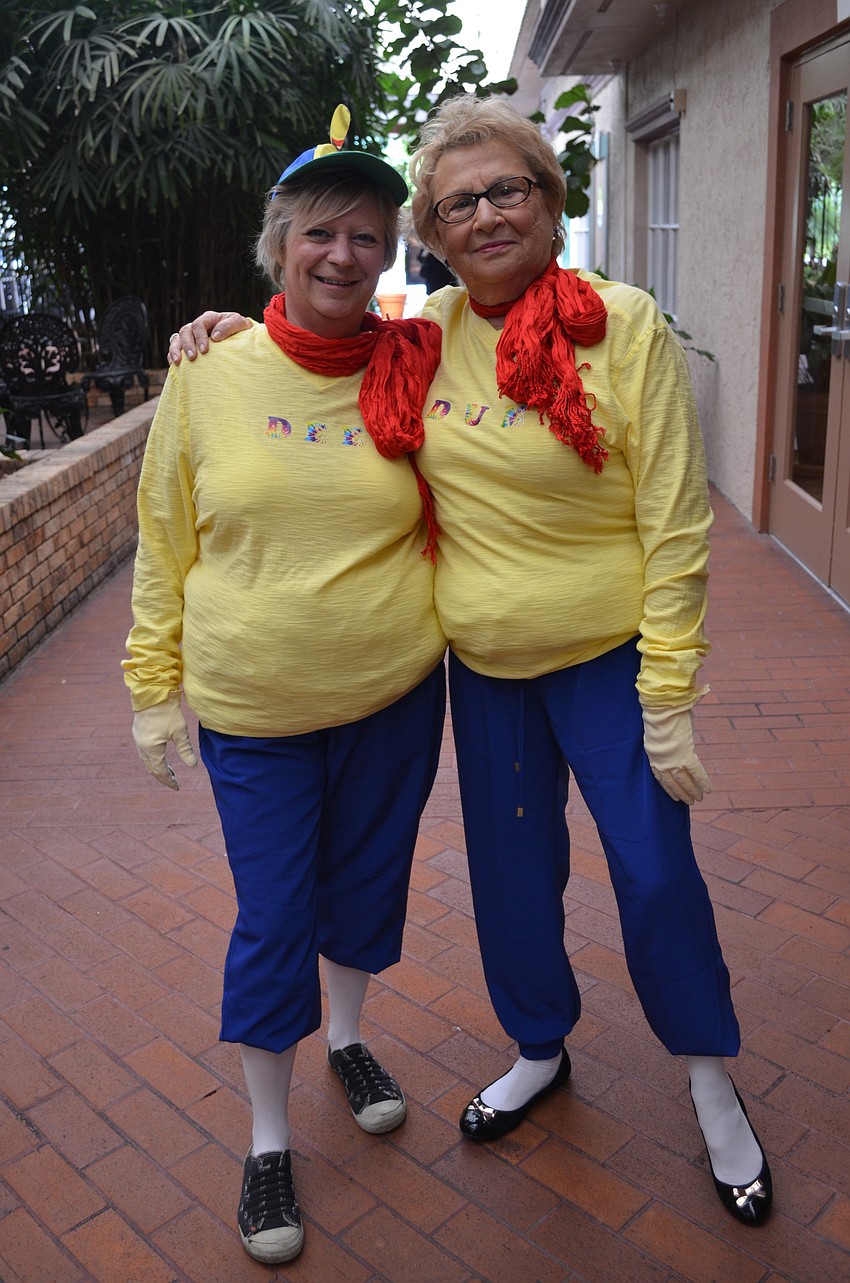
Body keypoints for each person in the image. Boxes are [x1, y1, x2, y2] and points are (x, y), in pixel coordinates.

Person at [169, 94, 773, 1228]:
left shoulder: (622, 324)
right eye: (459, 203)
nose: (486, 214)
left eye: (508, 190)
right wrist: (229, 331)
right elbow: (311, 348)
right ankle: (538, 1044)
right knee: (510, 882)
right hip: (483, 667)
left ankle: (706, 1076)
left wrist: (670, 687)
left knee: (652, 873)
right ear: (435, 236)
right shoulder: (424, 338)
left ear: (548, 201)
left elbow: (675, 521)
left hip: (607, 657)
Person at [124, 105, 447, 1265]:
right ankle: (267, 1136)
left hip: (396, 693)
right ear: (279, 244)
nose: (343, 254)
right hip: (256, 710)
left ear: (390, 254)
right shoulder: (209, 372)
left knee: (365, 886)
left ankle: (349, 1036)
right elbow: (163, 541)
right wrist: (152, 689)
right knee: (273, 919)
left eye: (368, 235)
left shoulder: (421, 362)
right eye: (321, 231)